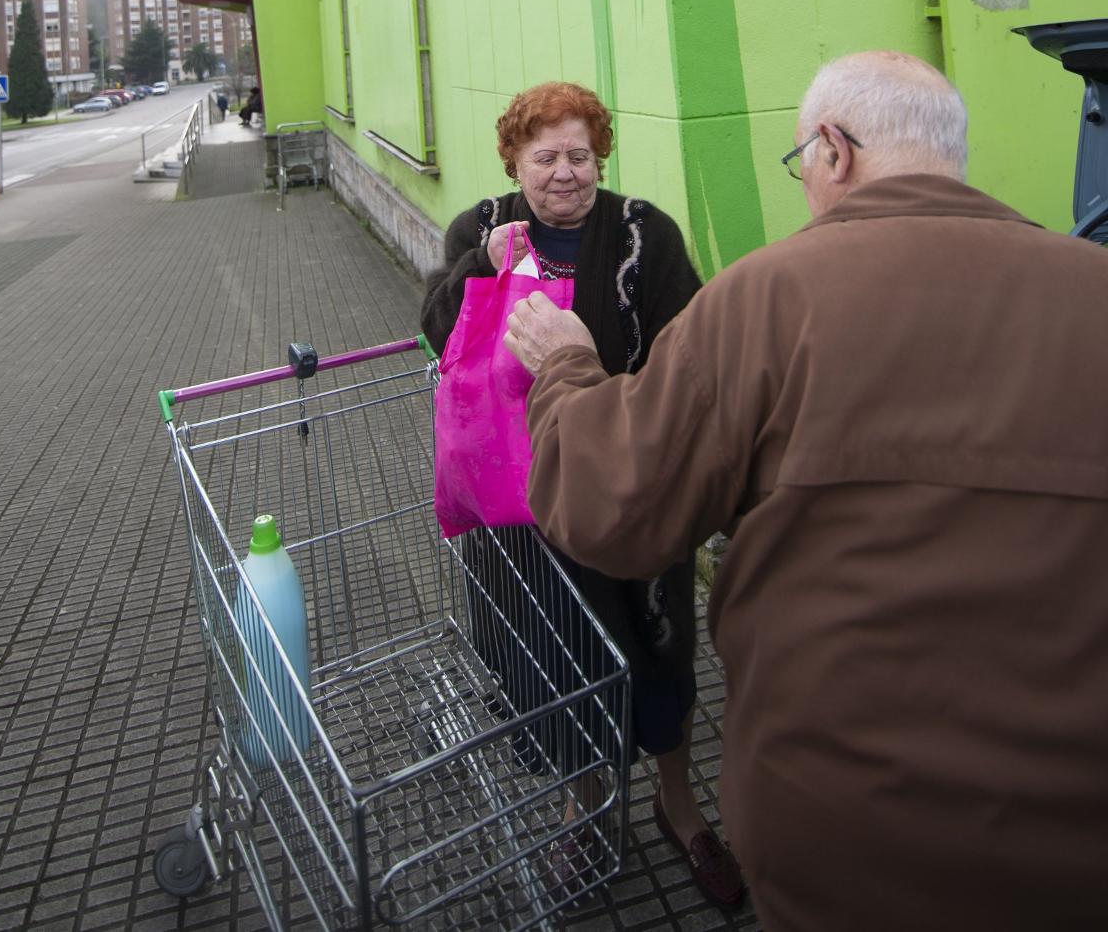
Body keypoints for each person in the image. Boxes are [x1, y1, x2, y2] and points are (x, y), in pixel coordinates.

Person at [505, 51, 1108, 932]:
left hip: (842, 816)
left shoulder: (766, 294)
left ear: (835, 151)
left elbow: (608, 504)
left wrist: (564, 365)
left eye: (801, 166)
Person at [422, 79, 744, 910]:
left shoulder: (644, 234)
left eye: (581, 155)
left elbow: (692, 348)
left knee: (657, 642)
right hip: (519, 502)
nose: (566, 174)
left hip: (625, 484)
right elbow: (436, 328)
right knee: (559, 656)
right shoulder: (483, 229)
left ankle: (681, 806)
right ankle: (588, 811)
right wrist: (476, 270)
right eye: (546, 157)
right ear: (513, 161)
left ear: (600, 156)